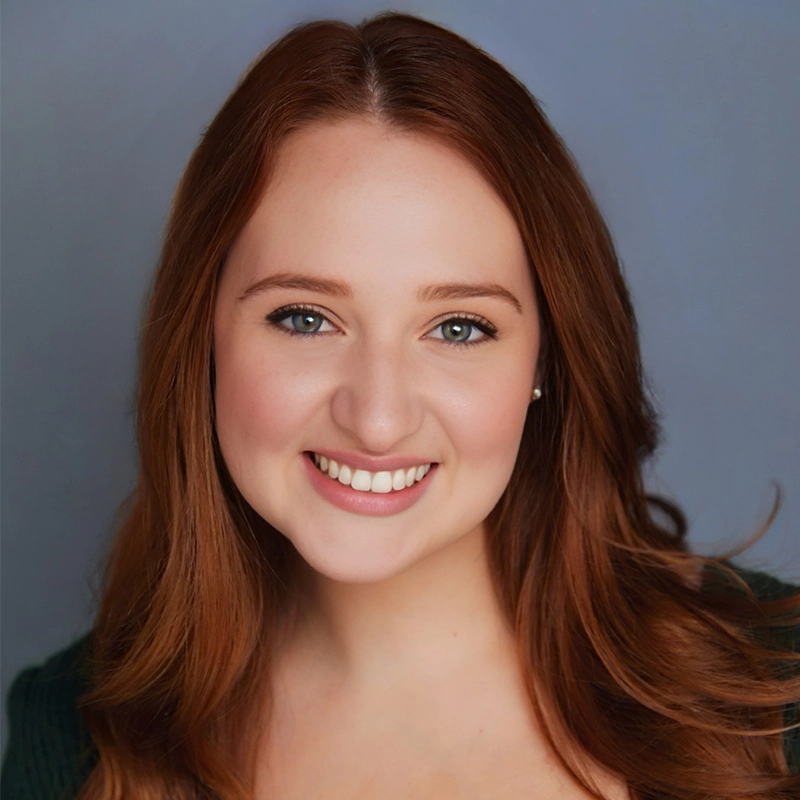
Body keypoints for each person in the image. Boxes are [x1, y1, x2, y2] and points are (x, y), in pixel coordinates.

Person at [2, 11, 798, 800]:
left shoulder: (777, 688)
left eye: (458, 327)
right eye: (305, 318)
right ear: (203, 337)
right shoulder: (70, 739)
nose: (377, 419)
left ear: (546, 359)